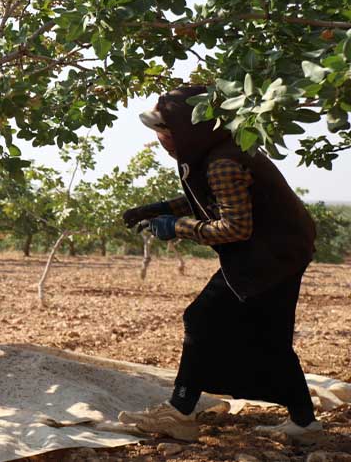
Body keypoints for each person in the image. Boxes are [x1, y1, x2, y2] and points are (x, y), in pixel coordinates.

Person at [117, 86, 320, 443]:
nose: (162, 139)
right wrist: (162, 208)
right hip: (283, 250)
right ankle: (305, 425)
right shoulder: (214, 151)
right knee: (270, 339)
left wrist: (177, 227)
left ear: (190, 129)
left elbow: (235, 227)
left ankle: (180, 412)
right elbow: (211, 195)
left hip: (267, 255)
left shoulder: (222, 161)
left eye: (166, 131)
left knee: (202, 318)